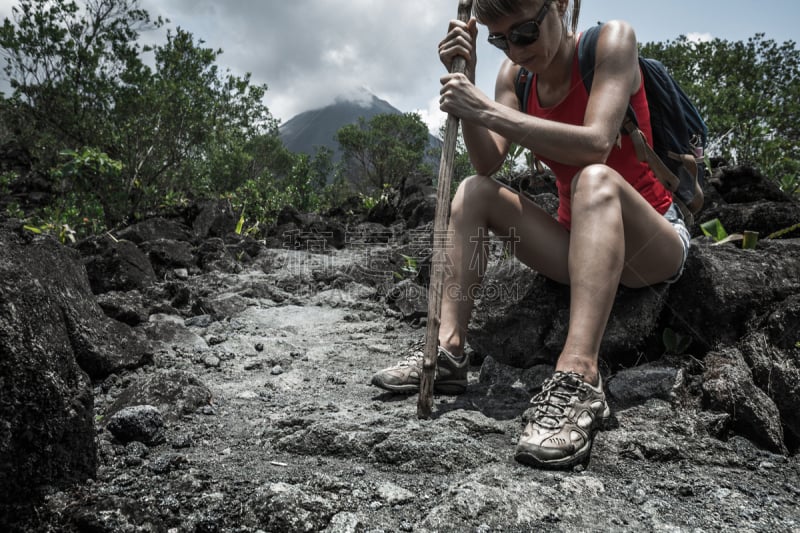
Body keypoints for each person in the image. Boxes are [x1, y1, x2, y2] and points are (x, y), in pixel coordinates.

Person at [370, 0, 691, 469]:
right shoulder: (515, 78)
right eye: (501, 39)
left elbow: (597, 143)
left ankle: (581, 375)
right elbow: (487, 162)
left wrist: (488, 111)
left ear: (559, 5)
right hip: (578, 244)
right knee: (473, 191)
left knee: (594, 178)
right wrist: (473, 83)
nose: (517, 50)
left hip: (649, 241)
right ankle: (449, 351)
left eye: (524, 32)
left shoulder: (611, 42)